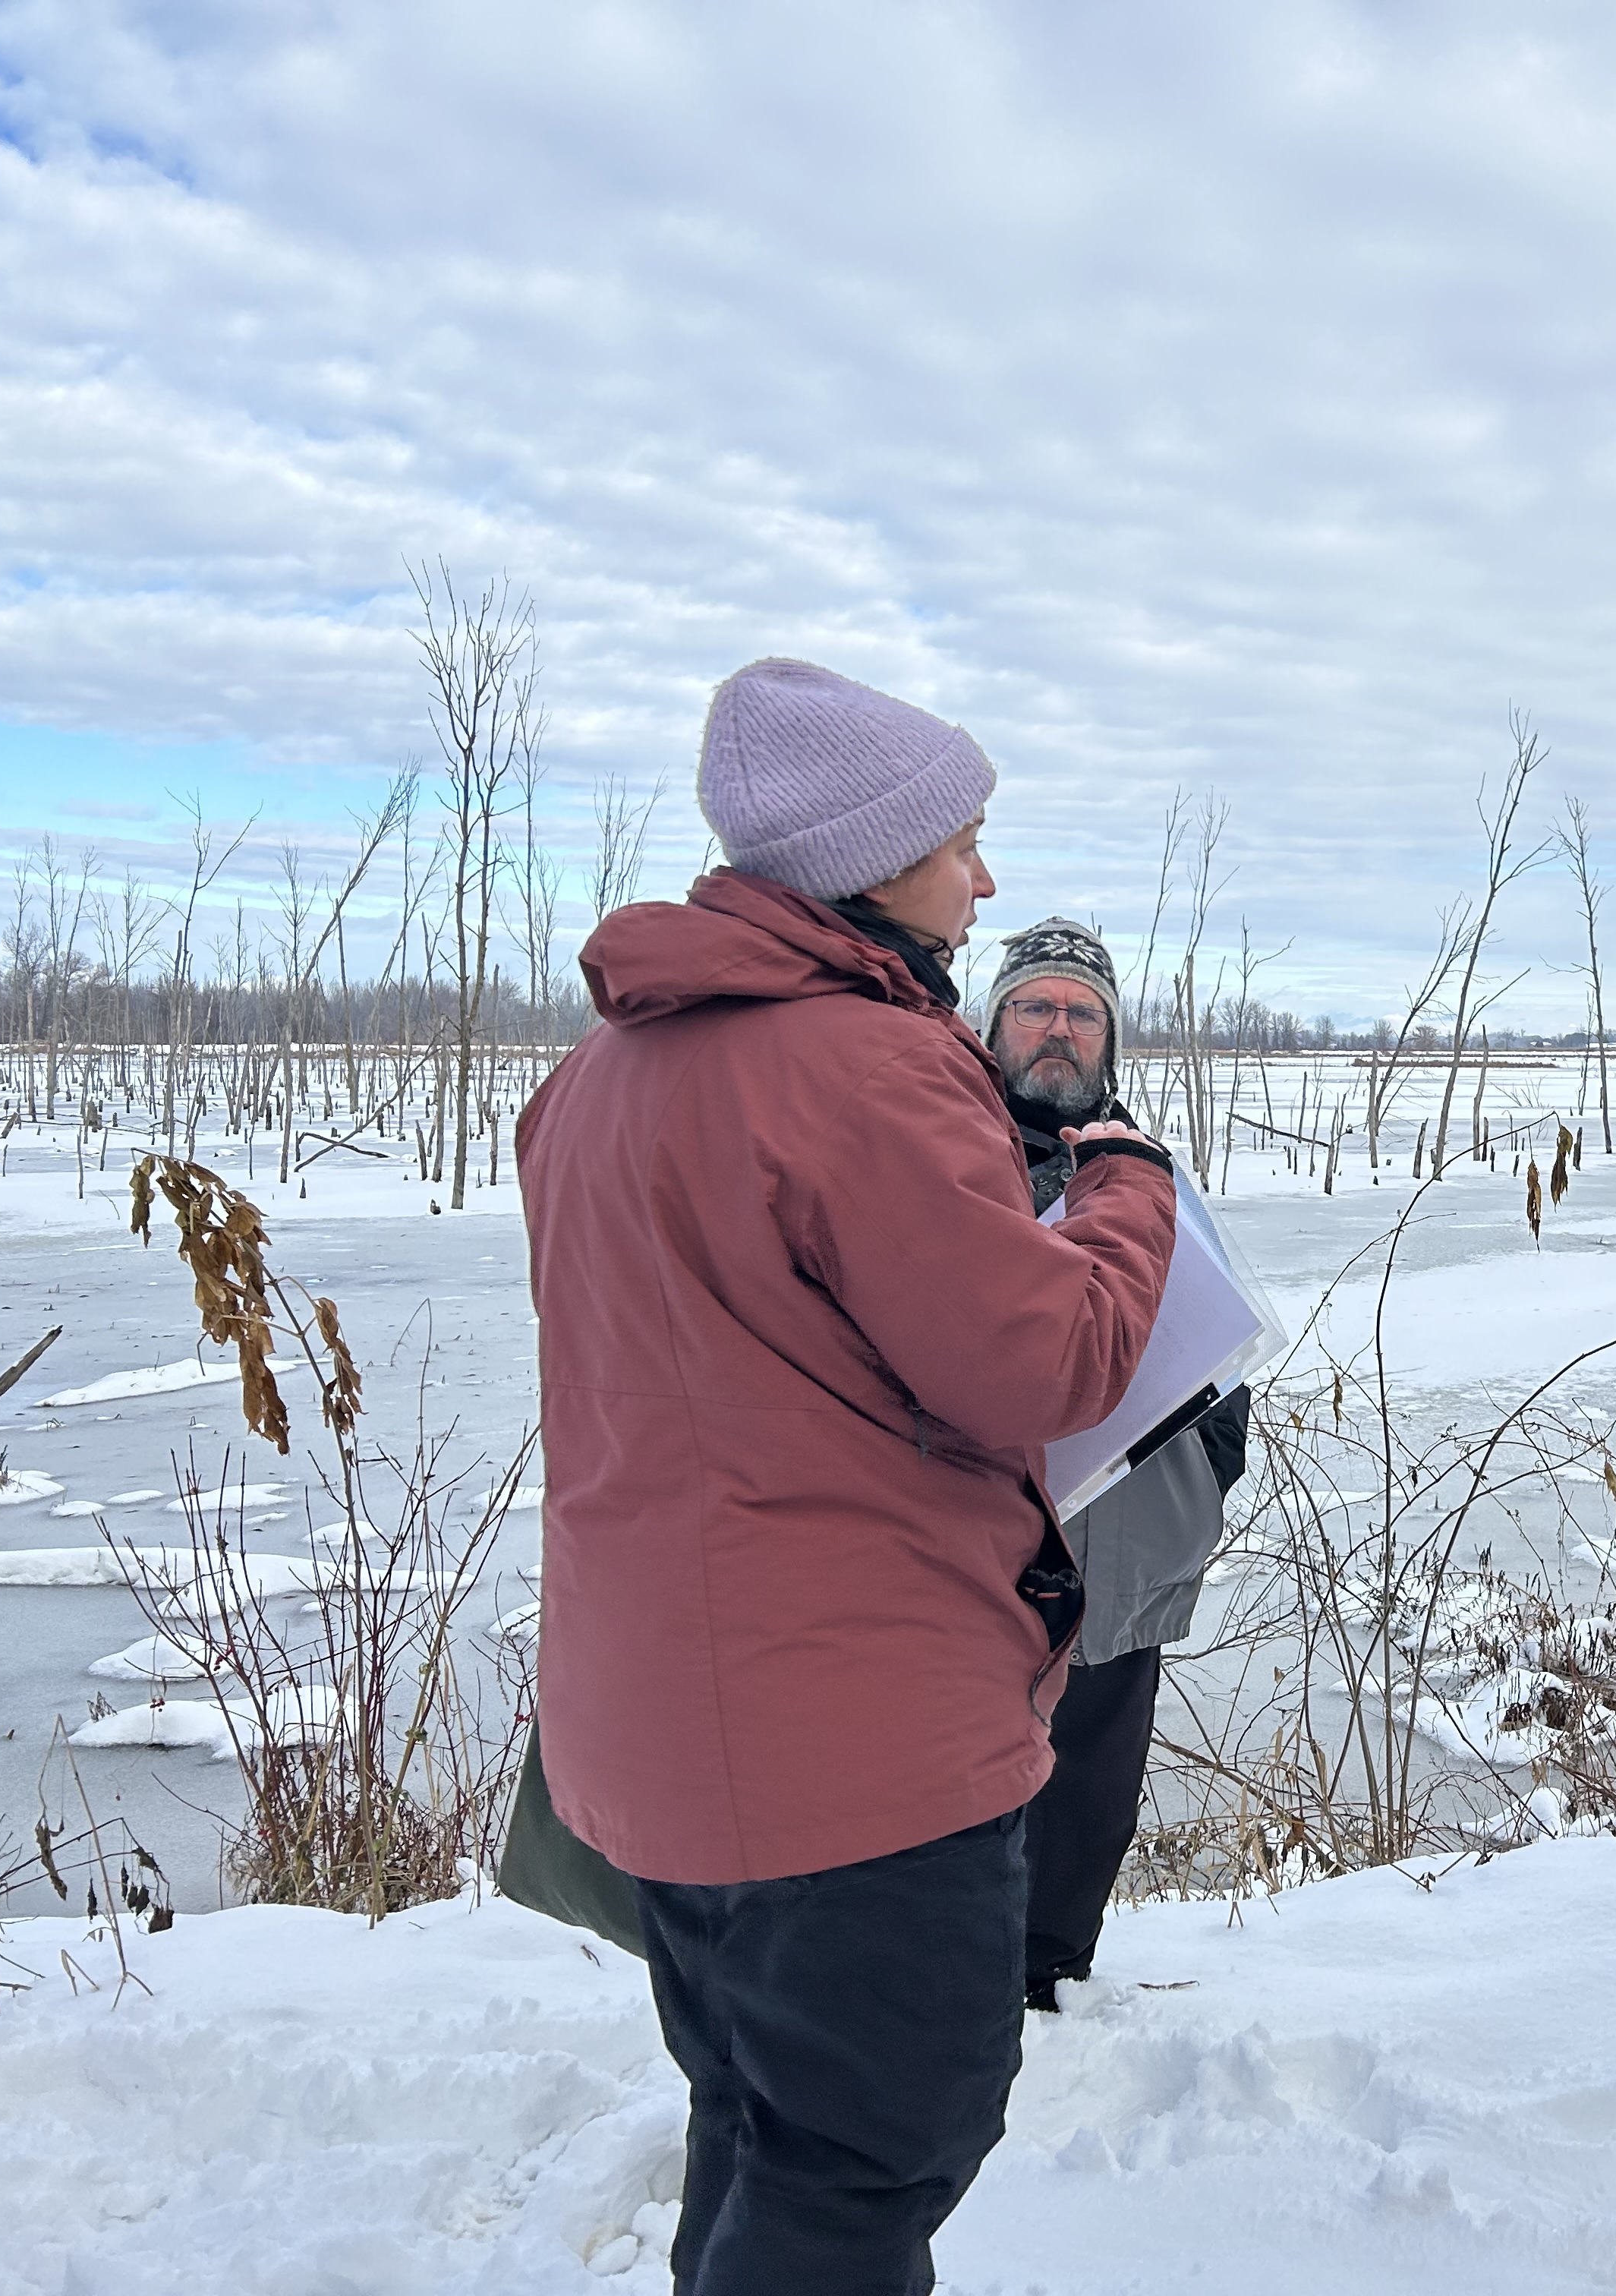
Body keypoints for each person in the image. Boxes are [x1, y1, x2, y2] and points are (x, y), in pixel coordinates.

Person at [516, 658, 1177, 2296]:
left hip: (656, 1726)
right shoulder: (861, 1069)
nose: (987, 878)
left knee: (761, 2116)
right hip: (846, 1752)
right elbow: (1043, 1364)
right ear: (871, 860)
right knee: (879, 2143)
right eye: (964, 838)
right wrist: (1126, 1199)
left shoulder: (594, 1082)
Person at [980, 916, 1253, 2011]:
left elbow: (1224, 1348)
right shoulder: (947, 1158)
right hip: (982, 1542)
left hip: (1130, 1542)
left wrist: (1198, 1479)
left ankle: (1052, 1979)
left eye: (1082, 1012)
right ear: (993, 1024)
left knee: (1091, 1778)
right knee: (964, 1771)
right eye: (1036, 1006)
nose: (1059, 1029)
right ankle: (957, 1981)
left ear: (1110, 1039)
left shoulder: (1148, 1172)